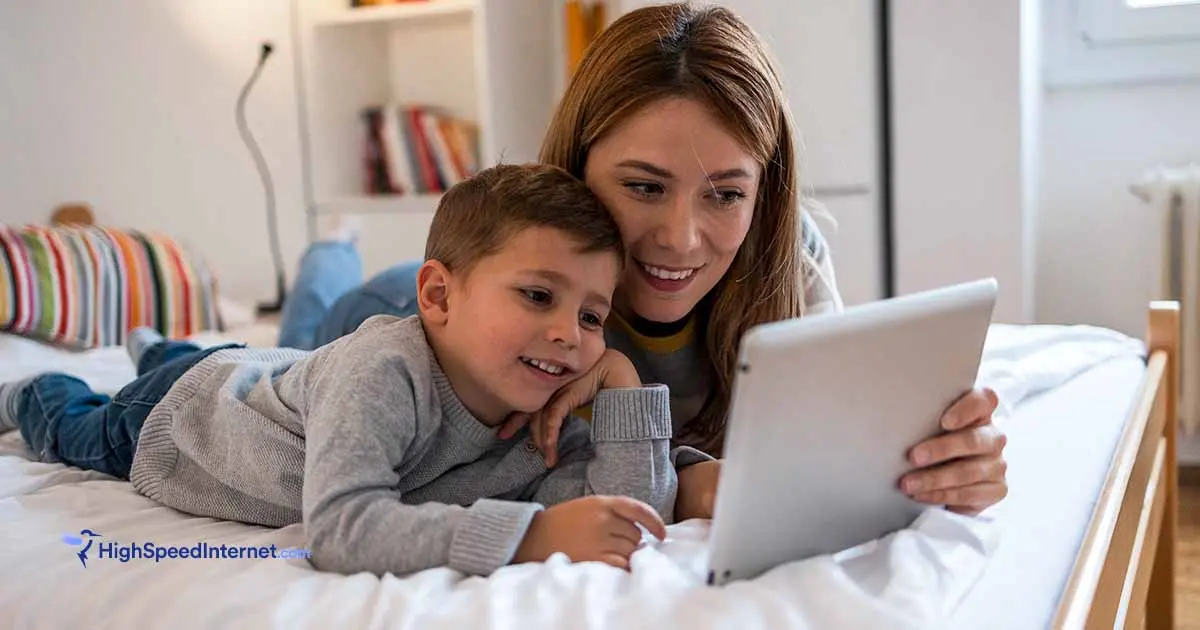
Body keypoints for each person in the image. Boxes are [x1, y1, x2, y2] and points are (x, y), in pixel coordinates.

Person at [277, 3, 1008, 518]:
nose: (681, 238)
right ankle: (329, 258)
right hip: (394, 302)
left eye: (725, 193)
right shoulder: (479, 326)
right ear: (577, 165)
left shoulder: (789, 257)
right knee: (305, 334)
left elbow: (835, 433)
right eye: (643, 187)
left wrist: (937, 459)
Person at [0, 163, 718, 576]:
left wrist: (623, 379)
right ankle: (35, 385)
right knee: (76, 424)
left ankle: (159, 343)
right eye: (538, 296)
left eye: (593, 317)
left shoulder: (546, 398)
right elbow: (343, 529)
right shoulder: (388, 373)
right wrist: (529, 537)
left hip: (275, 376)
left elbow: (638, 511)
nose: (569, 334)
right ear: (437, 295)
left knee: (202, 352)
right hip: (187, 418)